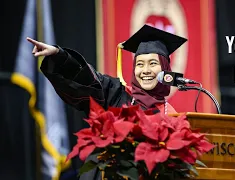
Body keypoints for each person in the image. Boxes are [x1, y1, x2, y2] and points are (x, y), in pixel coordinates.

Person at [27, 24, 187, 179]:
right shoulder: (116, 94)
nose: (145, 70)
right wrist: (59, 55)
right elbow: (87, 80)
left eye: (153, 64)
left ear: (165, 69)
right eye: (139, 64)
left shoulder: (172, 116)